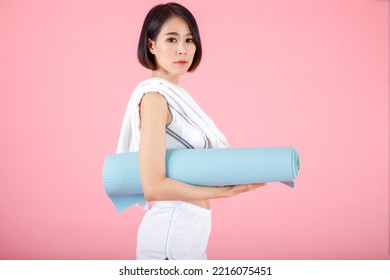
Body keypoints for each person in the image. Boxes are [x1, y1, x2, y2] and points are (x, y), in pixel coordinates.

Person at [116, 2, 265, 260]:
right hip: (169, 237)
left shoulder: (178, 98)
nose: (182, 49)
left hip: (188, 233)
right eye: (171, 39)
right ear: (151, 45)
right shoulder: (155, 98)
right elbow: (153, 186)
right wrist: (222, 192)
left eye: (189, 40)